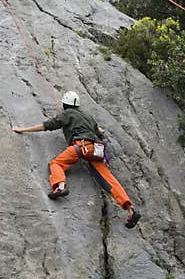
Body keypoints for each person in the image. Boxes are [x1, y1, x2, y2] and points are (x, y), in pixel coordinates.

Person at [12, 91, 140, 229]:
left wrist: (22, 129)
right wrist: (98, 130)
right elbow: (99, 131)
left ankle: (60, 187)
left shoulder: (67, 114)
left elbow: (45, 126)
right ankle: (130, 208)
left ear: (65, 104)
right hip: (96, 150)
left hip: (81, 146)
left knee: (56, 163)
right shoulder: (88, 116)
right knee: (109, 180)